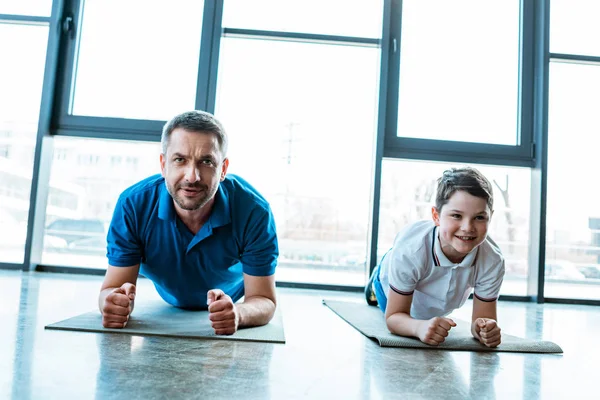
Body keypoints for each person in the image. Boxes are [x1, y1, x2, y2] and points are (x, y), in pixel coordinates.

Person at [98, 110, 278, 335]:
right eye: (180, 159)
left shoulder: (254, 211)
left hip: (231, 298)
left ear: (223, 169)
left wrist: (238, 314)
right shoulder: (133, 205)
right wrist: (113, 303)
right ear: (163, 165)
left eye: (206, 161)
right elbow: (112, 288)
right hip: (169, 298)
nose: (192, 176)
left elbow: (264, 300)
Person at [365, 166, 505, 347]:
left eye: (479, 217)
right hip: (386, 287)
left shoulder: (492, 261)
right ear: (436, 216)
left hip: (433, 305)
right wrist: (418, 328)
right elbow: (393, 317)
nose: (468, 227)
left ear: (490, 217)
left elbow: (482, 320)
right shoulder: (410, 250)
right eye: (456, 215)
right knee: (375, 296)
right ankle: (376, 278)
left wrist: (485, 329)